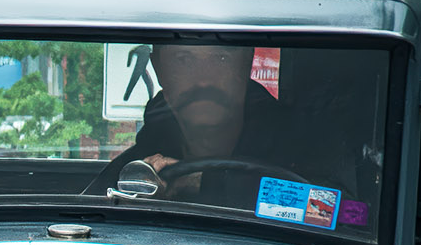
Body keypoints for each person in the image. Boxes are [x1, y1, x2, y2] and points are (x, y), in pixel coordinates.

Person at [92, 43, 291, 205]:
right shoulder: (139, 165)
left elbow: (317, 209)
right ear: (158, 69)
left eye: (221, 58)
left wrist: (201, 183)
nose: (204, 80)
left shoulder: (296, 146)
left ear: (247, 62)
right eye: (184, 60)